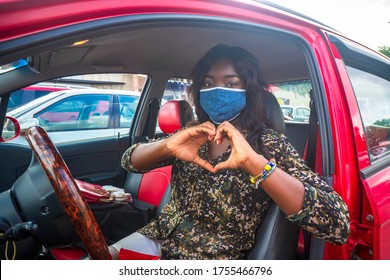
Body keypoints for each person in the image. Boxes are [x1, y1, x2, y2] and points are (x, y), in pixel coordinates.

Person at [109, 44, 350, 260]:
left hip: (209, 257)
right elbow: (129, 162)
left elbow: (338, 225)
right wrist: (166, 146)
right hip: (157, 237)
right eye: (207, 83)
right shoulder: (193, 132)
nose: (217, 91)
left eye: (232, 83)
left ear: (249, 90)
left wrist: (258, 166)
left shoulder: (268, 143)